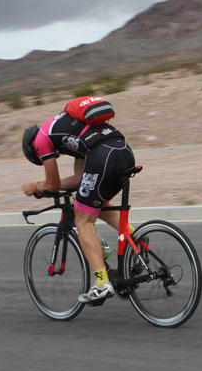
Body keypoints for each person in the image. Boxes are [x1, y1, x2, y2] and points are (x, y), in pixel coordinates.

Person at [21, 96, 136, 304]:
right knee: (96, 203)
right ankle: (136, 238)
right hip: (124, 152)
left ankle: (101, 283)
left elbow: (52, 184)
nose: (53, 156)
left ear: (33, 149)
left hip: (102, 157)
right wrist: (52, 185)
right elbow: (78, 180)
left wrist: (35, 187)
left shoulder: (41, 139)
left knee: (83, 221)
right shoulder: (74, 130)